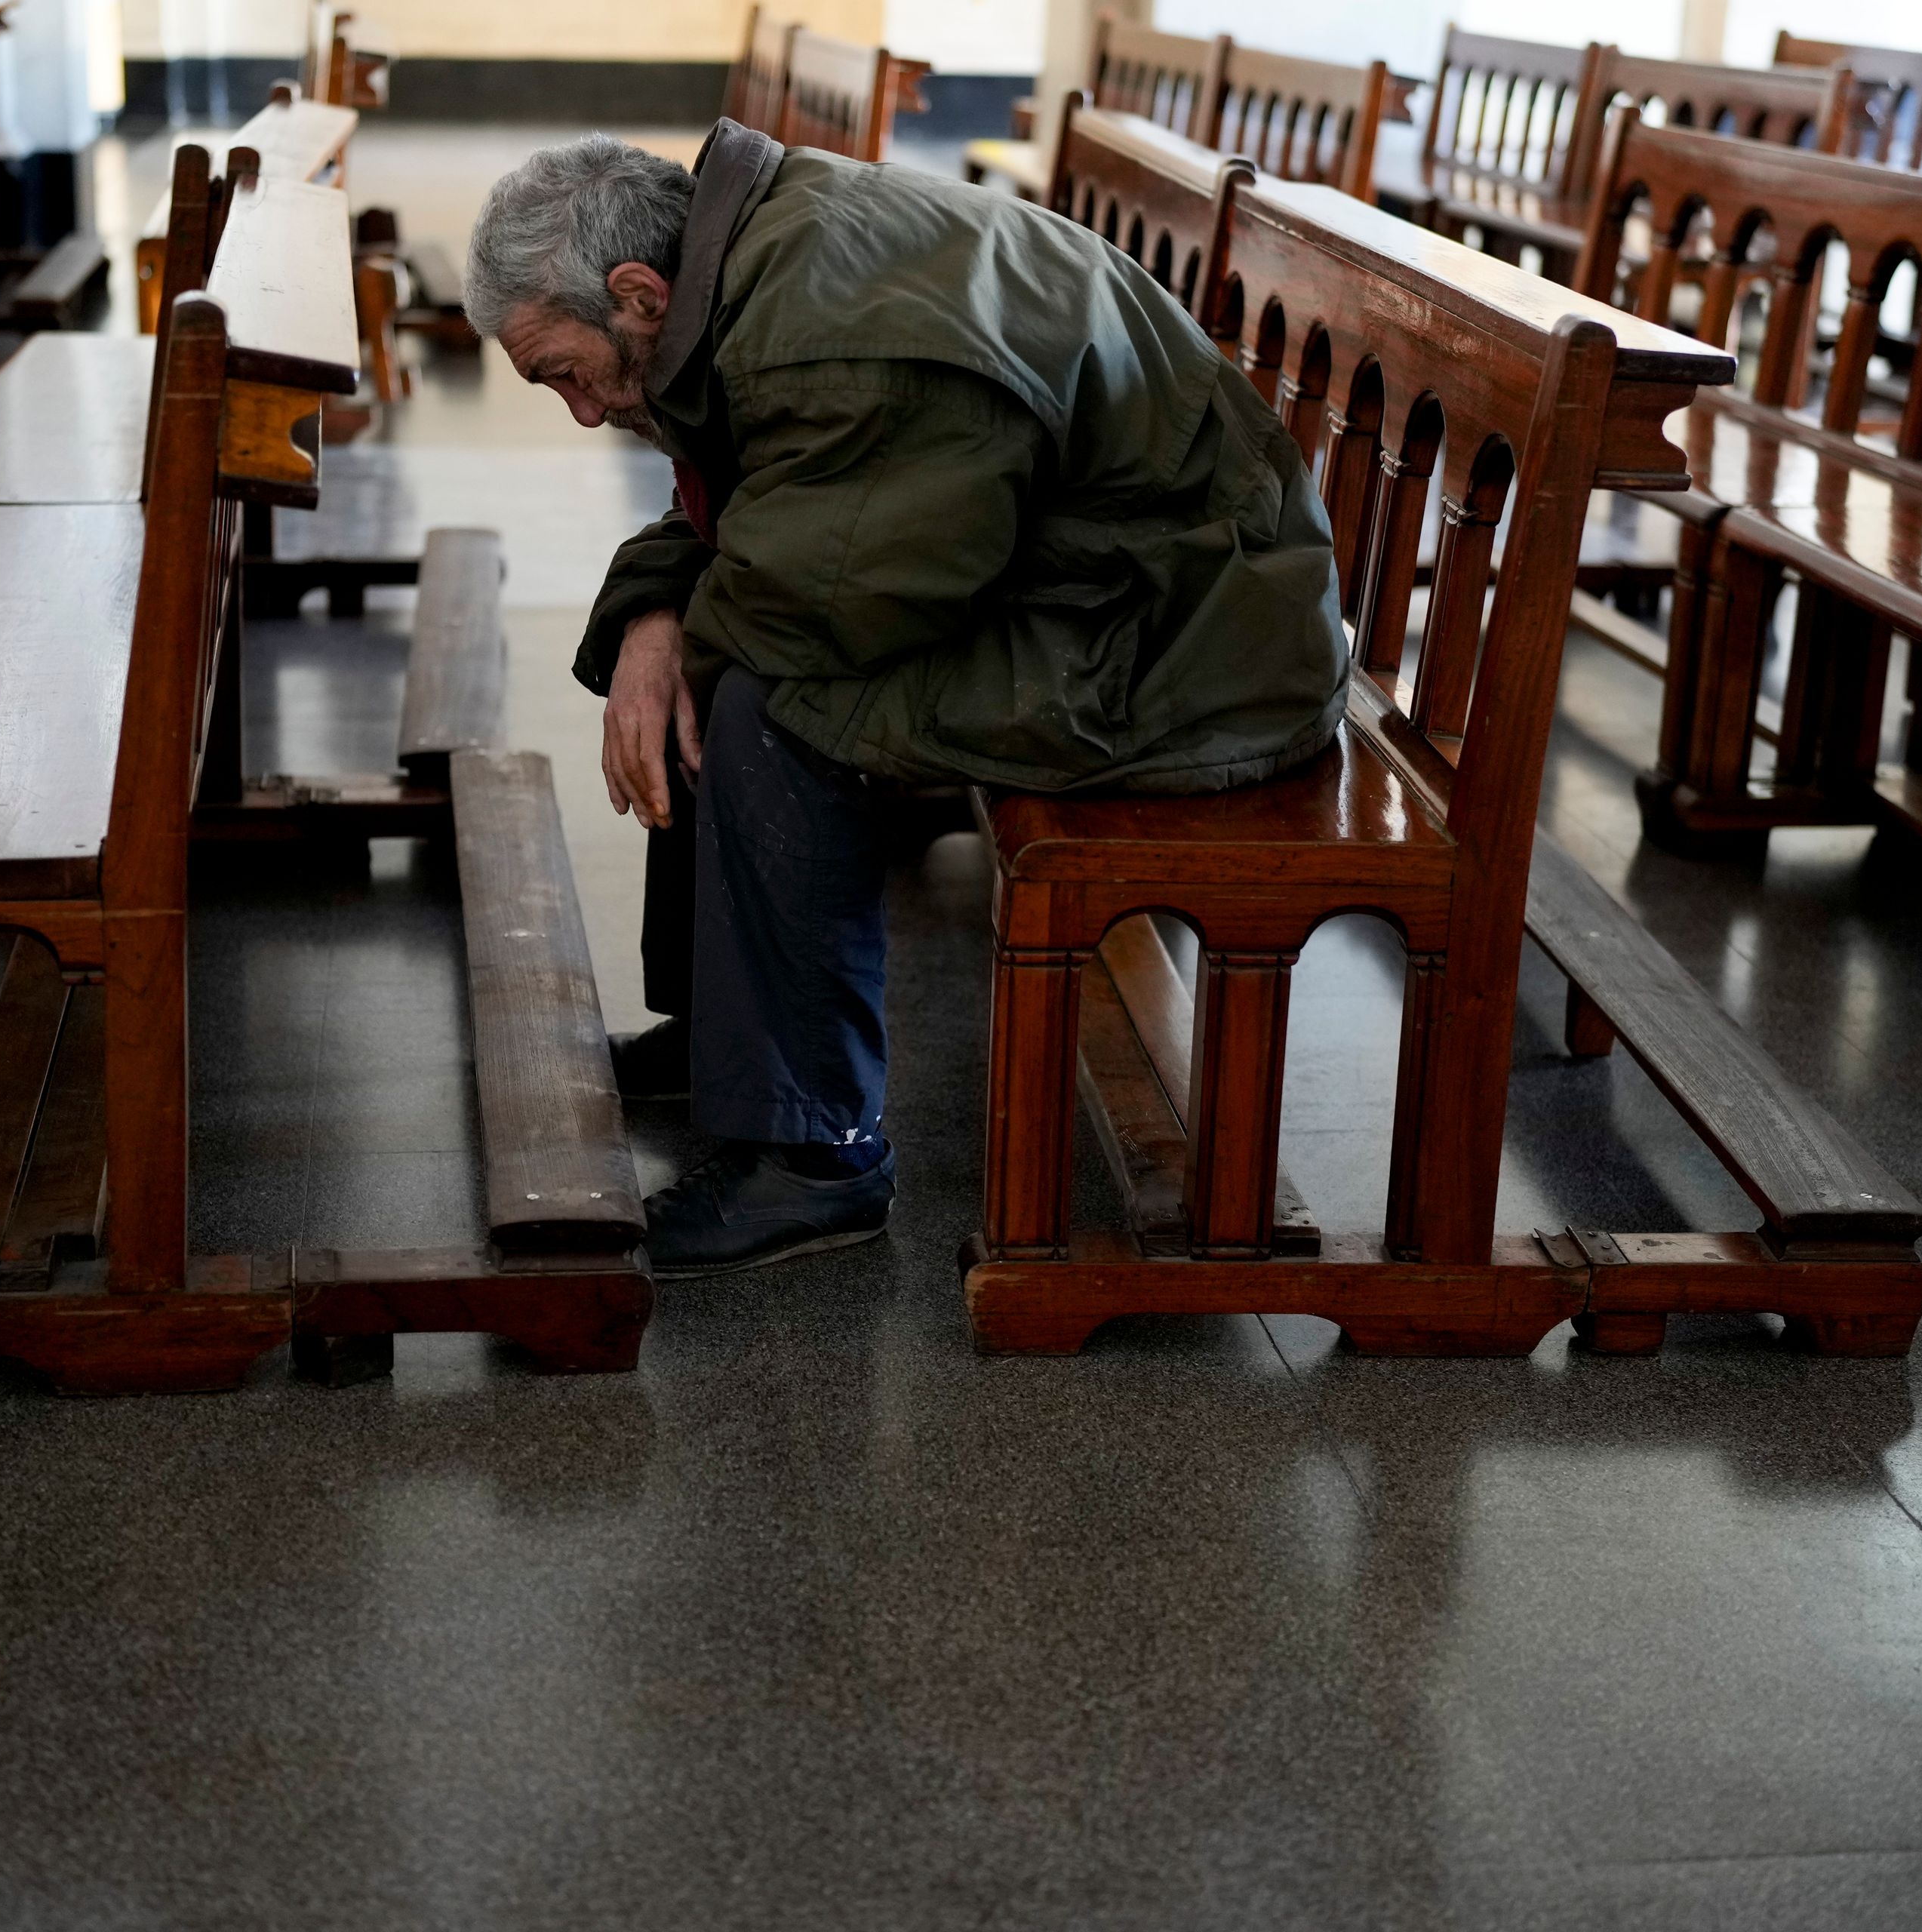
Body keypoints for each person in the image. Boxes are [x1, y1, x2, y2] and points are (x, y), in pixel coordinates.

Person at [463, 121, 1345, 1279]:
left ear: (636, 292)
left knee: (780, 707)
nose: (581, 412)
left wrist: (671, 639)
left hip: (1182, 647)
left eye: (565, 373)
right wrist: (648, 617)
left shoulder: (825, 334)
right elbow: (774, 505)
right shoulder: (753, 264)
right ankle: (724, 1033)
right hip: (1115, 585)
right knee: (709, 665)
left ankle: (816, 1152)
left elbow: (831, 595)